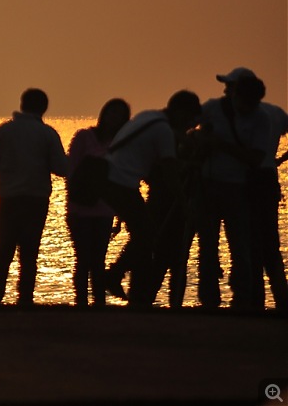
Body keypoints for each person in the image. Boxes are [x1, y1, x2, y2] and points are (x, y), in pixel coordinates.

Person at [99, 91, 202, 307]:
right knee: (147, 235)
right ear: (182, 114)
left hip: (110, 180)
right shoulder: (163, 131)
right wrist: (185, 205)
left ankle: (118, 277)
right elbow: (170, 174)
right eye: (190, 120)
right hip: (122, 184)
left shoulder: (149, 117)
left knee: (144, 234)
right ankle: (114, 275)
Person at [0, 88, 69, 307]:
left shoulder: (5, 131)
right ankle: (25, 300)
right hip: (36, 199)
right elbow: (61, 168)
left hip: (9, 197)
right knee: (30, 252)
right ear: (44, 108)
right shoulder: (48, 134)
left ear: (21, 105)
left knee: (4, 250)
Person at [196, 69, 269, 309]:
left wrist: (222, 146)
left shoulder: (261, 119)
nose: (226, 90)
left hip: (238, 188)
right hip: (207, 185)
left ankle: (242, 300)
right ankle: (209, 301)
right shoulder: (212, 108)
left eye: (230, 85)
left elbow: (256, 158)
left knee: (240, 246)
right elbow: (189, 131)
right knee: (207, 245)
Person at [66, 98, 130, 307]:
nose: (115, 118)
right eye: (112, 113)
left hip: (105, 209)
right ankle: (81, 302)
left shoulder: (121, 144)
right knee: (83, 258)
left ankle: (99, 302)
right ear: (104, 114)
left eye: (120, 116)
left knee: (98, 260)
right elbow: (72, 171)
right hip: (80, 208)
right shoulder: (84, 137)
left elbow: (122, 178)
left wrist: (120, 213)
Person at [252, 97, 288, 311]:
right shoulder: (277, 112)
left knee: (251, 245)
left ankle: (254, 301)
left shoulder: (244, 113)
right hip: (268, 177)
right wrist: (280, 160)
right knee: (270, 244)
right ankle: (282, 300)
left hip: (252, 180)